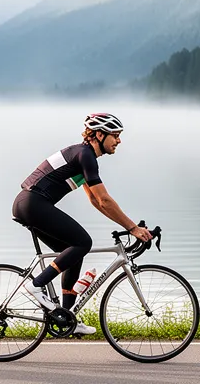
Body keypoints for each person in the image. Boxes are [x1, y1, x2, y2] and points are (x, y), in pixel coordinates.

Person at [14, 112, 152, 335]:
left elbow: (96, 201)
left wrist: (127, 225)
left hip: (28, 203)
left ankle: (66, 317)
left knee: (73, 252)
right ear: (99, 134)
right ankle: (35, 285)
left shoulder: (84, 156)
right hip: (33, 203)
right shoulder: (84, 155)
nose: (119, 141)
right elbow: (104, 199)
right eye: (115, 135)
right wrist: (132, 228)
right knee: (82, 242)